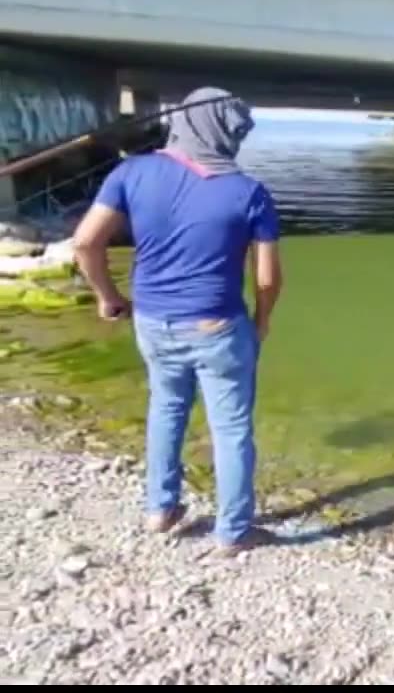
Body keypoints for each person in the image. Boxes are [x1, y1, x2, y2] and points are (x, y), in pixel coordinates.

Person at [73, 87, 283, 556]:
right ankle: (232, 532)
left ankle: (160, 510)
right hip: (219, 328)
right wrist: (261, 322)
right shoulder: (249, 192)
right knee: (230, 430)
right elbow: (268, 279)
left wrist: (108, 298)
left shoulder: (131, 172)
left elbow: (85, 242)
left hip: (152, 321)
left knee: (166, 409)